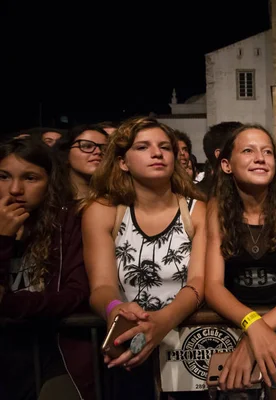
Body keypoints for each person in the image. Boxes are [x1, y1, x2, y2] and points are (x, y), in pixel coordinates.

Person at [82, 117, 206, 399]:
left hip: (185, 347)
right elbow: (101, 285)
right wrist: (115, 308)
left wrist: (162, 322)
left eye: (165, 147)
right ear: (123, 161)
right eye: (143, 147)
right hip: (129, 346)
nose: (157, 153)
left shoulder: (198, 210)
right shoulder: (103, 210)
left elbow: (199, 281)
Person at [204, 124, 276, 400]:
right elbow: (212, 286)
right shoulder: (217, 208)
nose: (261, 158)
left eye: (268, 152)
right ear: (226, 164)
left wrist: (260, 330)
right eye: (248, 151)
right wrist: (251, 326)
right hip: (232, 323)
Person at [0, 138, 94, 399]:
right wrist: (3, 239)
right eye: (3, 176)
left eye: (30, 178)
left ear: (49, 182)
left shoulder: (69, 221)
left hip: (55, 355)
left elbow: (76, 293)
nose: (15, 189)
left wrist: (9, 305)